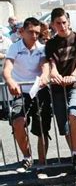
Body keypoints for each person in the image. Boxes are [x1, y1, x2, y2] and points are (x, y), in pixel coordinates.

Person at [2, 17, 52, 174]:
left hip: (40, 91)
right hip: (21, 92)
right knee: (17, 122)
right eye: (31, 32)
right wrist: (10, 81)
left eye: (37, 33)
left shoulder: (42, 48)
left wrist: (45, 75)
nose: (34, 36)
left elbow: (45, 66)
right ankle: (27, 157)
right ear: (22, 32)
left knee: (42, 129)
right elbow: (7, 68)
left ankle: (42, 164)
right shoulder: (14, 47)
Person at [46, 8, 76, 173]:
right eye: (58, 23)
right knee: (64, 125)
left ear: (69, 22)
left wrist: (73, 75)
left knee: (74, 112)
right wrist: (54, 73)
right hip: (57, 88)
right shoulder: (50, 43)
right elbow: (51, 63)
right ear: (53, 24)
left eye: (64, 22)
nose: (62, 26)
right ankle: (73, 152)